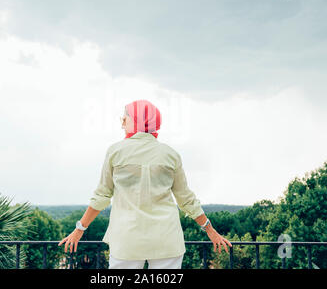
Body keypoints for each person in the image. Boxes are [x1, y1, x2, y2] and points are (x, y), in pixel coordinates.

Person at [58, 99, 232, 269]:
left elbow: (102, 196)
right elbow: (185, 199)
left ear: (135, 121)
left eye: (124, 119)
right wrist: (210, 230)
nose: (121, 124)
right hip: (167, 241)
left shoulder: (115, 151)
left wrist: (79, 230)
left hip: (127, 241)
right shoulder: (170, 154)